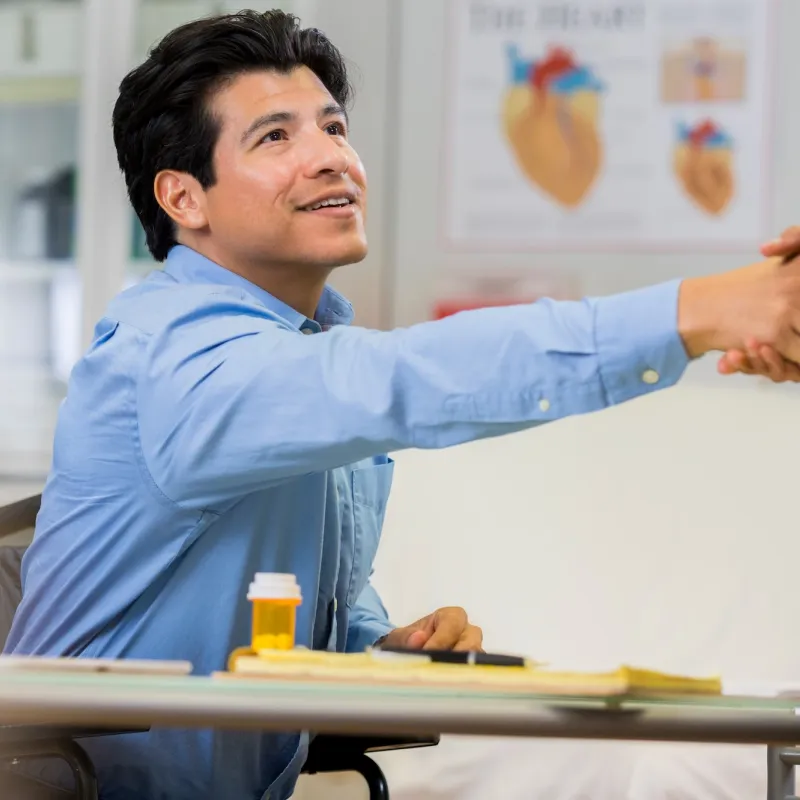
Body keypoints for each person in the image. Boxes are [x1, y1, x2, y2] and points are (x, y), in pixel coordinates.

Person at [5, 9, 800, 799]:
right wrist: (698, 312)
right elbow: (410, 377)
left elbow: (298, 614)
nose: (331, 159)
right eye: (275, 137)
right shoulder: (172, 359)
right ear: (184, 197)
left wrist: (381, 648)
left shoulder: (302, 354)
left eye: (333, 126)